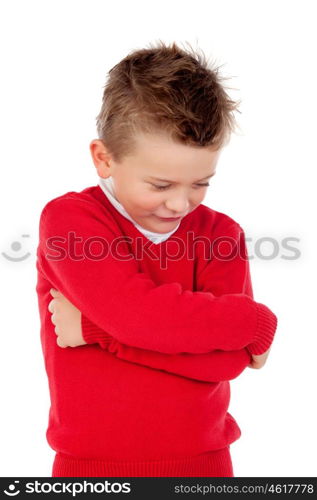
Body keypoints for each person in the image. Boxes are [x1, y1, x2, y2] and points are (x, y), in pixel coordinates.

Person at [35, 40, 278, 477]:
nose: (181, 204)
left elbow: (227, 360)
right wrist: (253, 323)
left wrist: (95, 330)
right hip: (91, 469)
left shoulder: (220, 235)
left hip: (204, 465)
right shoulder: (71, 221)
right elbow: (134, 316)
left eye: (201, 183)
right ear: (104, 158)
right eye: (161, 185)